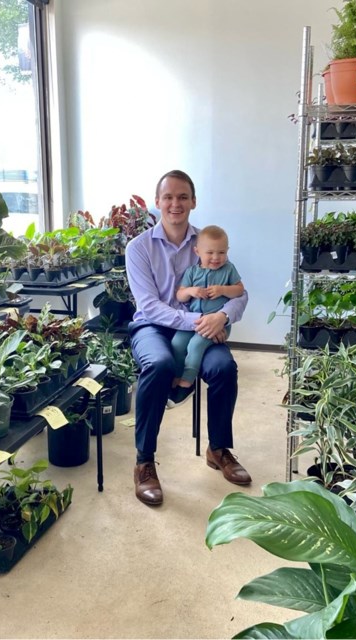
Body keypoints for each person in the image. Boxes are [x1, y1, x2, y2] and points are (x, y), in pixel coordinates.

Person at [125, 169, 251, 507]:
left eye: (183, 197)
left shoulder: (208, 242)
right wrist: (200, 319)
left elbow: (239, 293)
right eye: (168, 197)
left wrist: (222, 316)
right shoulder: (138, 248)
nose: (175, 204)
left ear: (193, 201)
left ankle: (218, 449)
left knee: (224, 367)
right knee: (160, 363)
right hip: (153, 326)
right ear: (157, 202)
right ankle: (144, 461)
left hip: (201, 327)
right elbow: (149, 306)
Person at [169, 225, 245, 406]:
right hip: (193, 321)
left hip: (218, 324)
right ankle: (177, 377)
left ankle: (187, 383)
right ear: (197, 251)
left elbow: (240, 290)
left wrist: (223, 290)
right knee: (177, 344)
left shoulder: (228, 269)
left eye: (221, 252)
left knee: (195, 345)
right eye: (210, 252)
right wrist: (191, 291)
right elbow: (179, 294)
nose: (216, 257)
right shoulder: (192, 272)